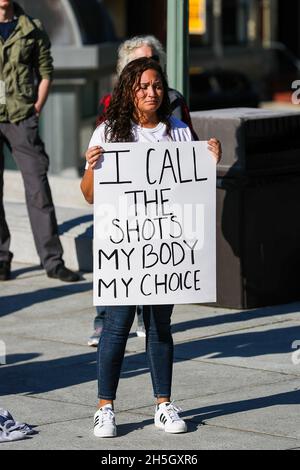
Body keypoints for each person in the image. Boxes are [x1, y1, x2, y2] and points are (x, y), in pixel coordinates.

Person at [81, 57, 221, 437]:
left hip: (162, 246)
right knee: (117, 325)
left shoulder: (177, 132)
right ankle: (105, 407)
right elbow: (89, 196)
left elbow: (193, 191)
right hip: (125, 247)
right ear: (129, 89)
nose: (151, 92)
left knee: (160, 325)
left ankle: (163, 404)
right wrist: (92, 167)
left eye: (157, 85)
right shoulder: (108, 133)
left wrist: (209, 163)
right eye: (143, 86)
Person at [88, 34, 197, 347]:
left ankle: (147, 324)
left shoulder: (174, 103)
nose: (149, 76)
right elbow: (99, 170)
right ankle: (103, 320)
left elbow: (189, 155)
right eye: (139, 64)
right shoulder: (109, 110)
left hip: (162, 215)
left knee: (158, 313)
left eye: (154, 62)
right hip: (122, 212)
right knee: (116, 268)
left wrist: (205, 157)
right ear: (126, 72)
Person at [0, 0, 79, 282]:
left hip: (22, 117)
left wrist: (36, 107)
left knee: (38, 188)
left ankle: (53, 261)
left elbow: (46, 71)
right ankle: (1, 258)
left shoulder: (32, 28)